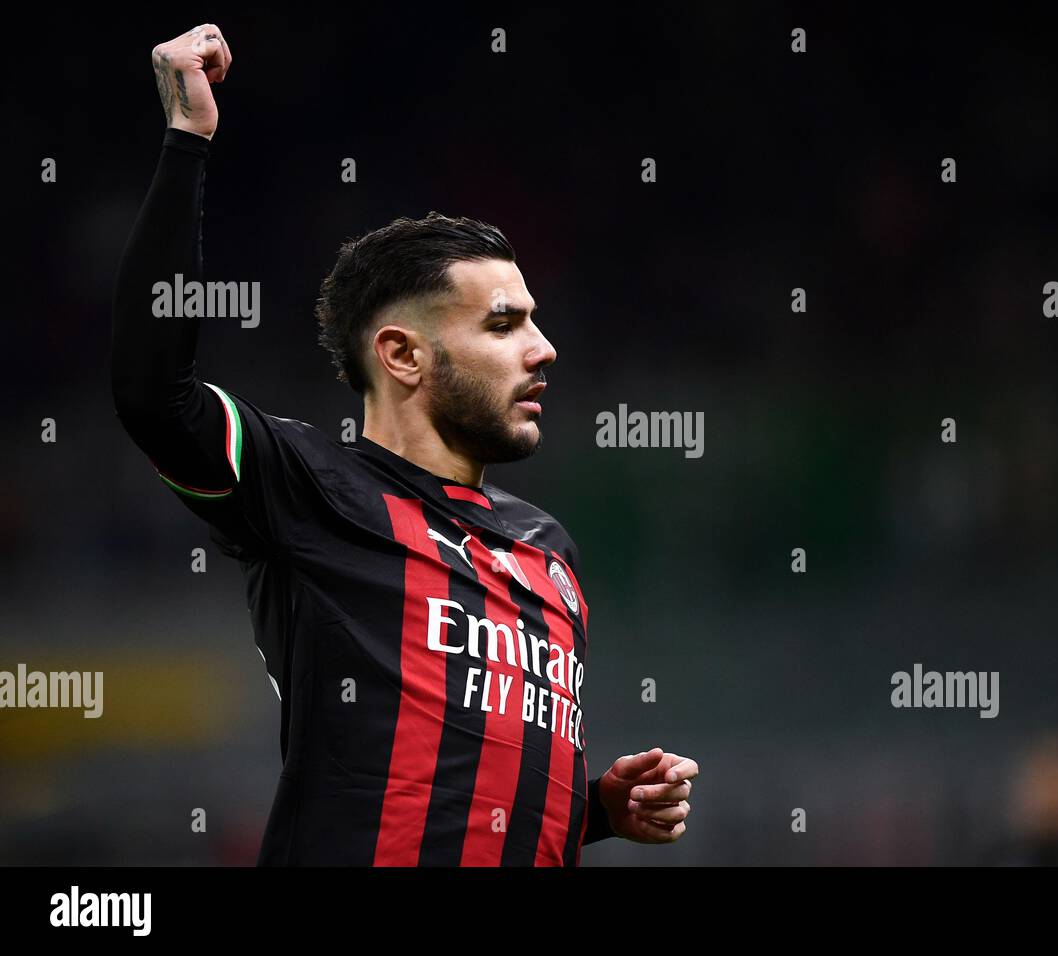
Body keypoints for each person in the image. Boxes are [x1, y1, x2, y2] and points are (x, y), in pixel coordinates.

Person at [111, 22, 698, 866]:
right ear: (401, 354)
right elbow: (152, 393)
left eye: (535, 321)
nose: (544, 349)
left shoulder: (550, 552)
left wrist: (595, 810)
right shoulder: (310, 486)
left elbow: (469, 791)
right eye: (505, 324)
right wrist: (187, 141)